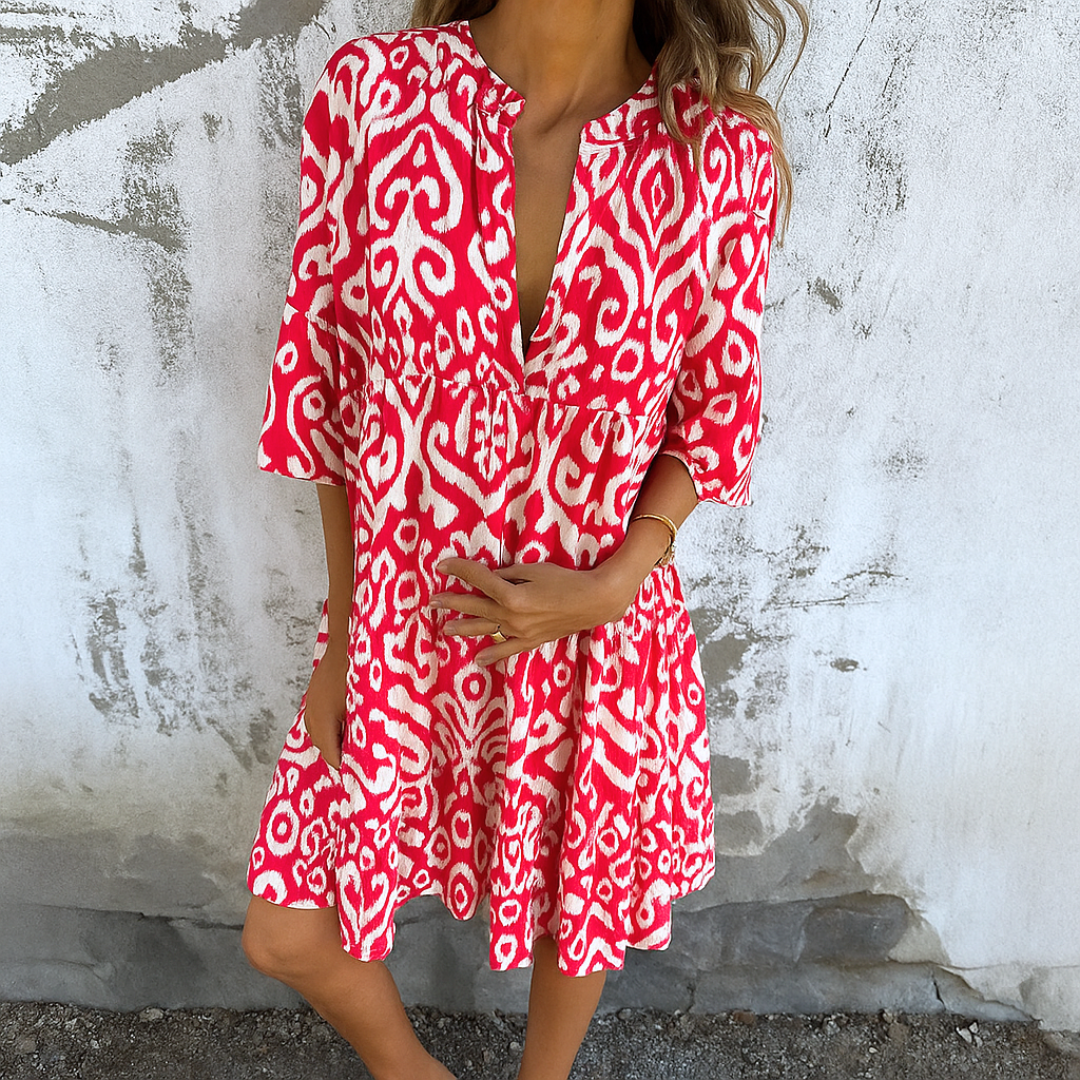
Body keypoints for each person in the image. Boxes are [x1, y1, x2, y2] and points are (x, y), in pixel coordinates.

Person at [240, 1, 807, 1078]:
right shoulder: (376, 94)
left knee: (572, 906)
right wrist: (348, 636)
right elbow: (325, 385)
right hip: (406, 625)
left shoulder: (714, 151)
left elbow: (717, 411)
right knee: (287, 930)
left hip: (594, 629)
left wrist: (616, 581)